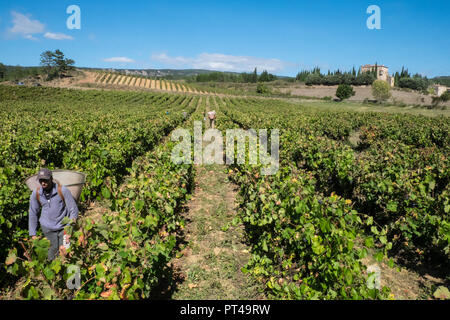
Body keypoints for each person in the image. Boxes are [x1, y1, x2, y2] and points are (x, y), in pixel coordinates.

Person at [29, 168, 79, 261]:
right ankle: (54, 275)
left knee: (65, 253)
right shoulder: (36, 193)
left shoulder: (62, 190)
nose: (43, 183)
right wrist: (33, 233)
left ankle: (65, 273)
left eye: (45, 180)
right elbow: (33, 213)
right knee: (51, 254)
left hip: (63, 227)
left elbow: (73, 210)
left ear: (51, 178)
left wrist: (69, 230)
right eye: (41, 180)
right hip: (47, 228)